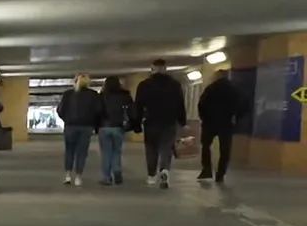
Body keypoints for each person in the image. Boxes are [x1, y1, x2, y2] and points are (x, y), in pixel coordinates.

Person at [133, 58, 187, 189]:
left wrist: (136, 123)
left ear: (152, 69)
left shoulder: (144, 85)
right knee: (166, 148)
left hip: (151, 122)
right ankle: (164, 170)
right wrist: (182, 121)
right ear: (165, 69)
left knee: (151, 149)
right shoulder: (174, 85)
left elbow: (138, 105)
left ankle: (151, 175)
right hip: (169, 122)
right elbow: (180, 104)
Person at [196, 69, 243, 183]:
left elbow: (201, 104)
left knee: (205, 146)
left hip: (209, 122)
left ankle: (207, 170)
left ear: (217, 77)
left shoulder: (210, 89)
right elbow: (241, 106)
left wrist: (203, 118)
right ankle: (220, 174)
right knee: (225, 150)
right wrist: (236, 118)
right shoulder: (234, 89)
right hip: (226, 123)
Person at [57, 74, 103, 186]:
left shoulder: (68, 94)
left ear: (75, 81)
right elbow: (98, 111)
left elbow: (60, 110)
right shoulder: (93, 95)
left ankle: (68, 175)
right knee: (82, 152)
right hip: (86, 127)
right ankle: (78, 177)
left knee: (69, 151)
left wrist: (67, 119)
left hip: (70, 126)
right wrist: (93, 123)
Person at [97, 75, 135, 185]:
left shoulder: (102, 96)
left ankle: (107, 177)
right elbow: (132, 111)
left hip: (104, 127)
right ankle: (117, 172)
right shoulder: (125, 96)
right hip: (119, 127)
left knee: (106, 153)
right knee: (117, 151)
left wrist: (96, 125)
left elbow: (97, 112)